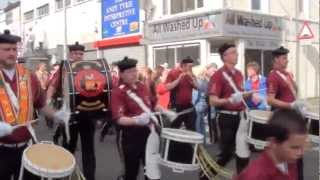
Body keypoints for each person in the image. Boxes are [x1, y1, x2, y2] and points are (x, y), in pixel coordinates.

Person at [0, 30, 68, 180]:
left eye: (14, 49)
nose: (12, 53)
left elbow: (41, 104)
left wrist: (56, 114)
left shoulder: (28, 76)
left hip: (26, 148)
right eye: (6, 49)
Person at [46, 41, 97, 180]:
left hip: (87, 112)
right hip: (68, 114)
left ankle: (89, 177)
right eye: (75, 53)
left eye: (80, 53)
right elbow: (52, 86)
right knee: (68, 148)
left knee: (89, 150)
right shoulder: (63, 69)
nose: (78, 56)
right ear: (70, 54)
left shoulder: (90, 69)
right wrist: (48, 101)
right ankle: (65, 176)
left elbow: (96, 88)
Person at [111, 56, 164, 180]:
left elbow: (152, 104)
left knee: (151, 171)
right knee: (131, 172)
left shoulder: (142, 86)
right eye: (129, 72)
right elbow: (118, 118)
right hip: (130, 136)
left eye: (135, 70)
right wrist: (136, 120)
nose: (134, 74)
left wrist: (162, 109)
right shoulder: (118, 92)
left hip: (149, 134)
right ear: (121, 74)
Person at [208, 43, 250, 174]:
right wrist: (230, 99)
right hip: (227, 118)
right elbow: (212, 101)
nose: (237, 55)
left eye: (236, 52)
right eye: (233, 52)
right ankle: (205, 176)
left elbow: (241, 96)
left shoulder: (239, 74)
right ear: (225, 56)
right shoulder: (218, 75)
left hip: (242, 117)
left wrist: (248, 96)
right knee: (226, 154)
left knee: (243, 153)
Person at [267, 46, 305, 180]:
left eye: (287, 58)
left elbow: (295, 91)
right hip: (283, 120)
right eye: (284, 58)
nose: (287, 61)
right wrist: (290, 105)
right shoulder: (273, 76)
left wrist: (292, 81)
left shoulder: (287, 74)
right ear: (276, 59)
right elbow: (270, 100)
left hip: (292, 118)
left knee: (298, 155)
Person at [235, 109, 307, 180]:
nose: (301, 153)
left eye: (303, 146)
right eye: (294, 147)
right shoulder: (256, 175)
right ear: (273, 142)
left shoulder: (290, 161)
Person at [165, 57, 198, 131]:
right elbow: (167, 87)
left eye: (192, 66)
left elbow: (197, 87)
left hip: (188, 105)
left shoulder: (191, 74)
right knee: (174, 129)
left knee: (192, 128)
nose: (191, 68)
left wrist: (192, 79)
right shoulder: (173, 73)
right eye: (189, 66)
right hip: (177, 105)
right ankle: (172, 142)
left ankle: (191, 142)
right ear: (183, 66)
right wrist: (179, 78)